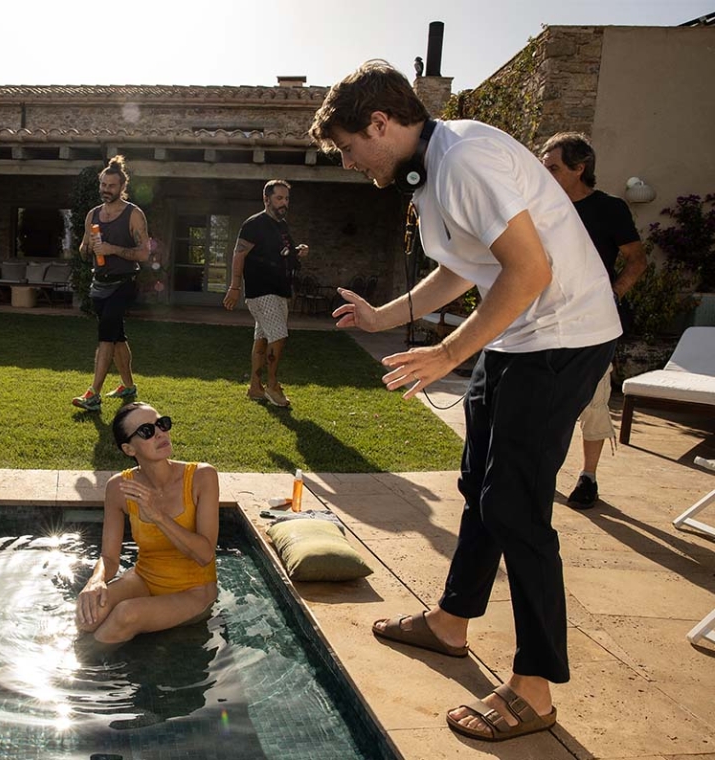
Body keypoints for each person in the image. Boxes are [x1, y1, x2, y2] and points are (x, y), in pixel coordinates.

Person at [310, 61, 620, 742]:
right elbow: (466, 265)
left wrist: (449, 354)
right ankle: (451, 623)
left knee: (516, 505)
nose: (350, 161)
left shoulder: (467, 158)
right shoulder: (438, 164)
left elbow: (530, 270)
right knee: (480, 485)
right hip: (519, 339)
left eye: (348, 146)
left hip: (564, 339)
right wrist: (384, 317)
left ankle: (534, 689)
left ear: (381, 124)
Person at [541, 132, 647, 509]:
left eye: (553, 166)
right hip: (547, 319)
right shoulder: (542, 208)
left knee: (594, 400)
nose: (545, 171)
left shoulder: (609, 209)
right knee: (543, 399)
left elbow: (637, 259)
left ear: (579, 168)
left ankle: (588, 477)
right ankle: (540, 472)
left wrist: (612, 294)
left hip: (594, 324)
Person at [75, 402, 219, 644]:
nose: (160, 433)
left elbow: (205, 555)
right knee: (88, 614)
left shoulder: (202, 477)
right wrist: (96, 580)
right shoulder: (118, 488)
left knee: (126, 614)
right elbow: (109, 558)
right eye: (147, 431)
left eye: (161, 424)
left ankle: (74, 676)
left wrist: (159, 517)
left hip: (194, 591)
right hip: (144, 579)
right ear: (129, 449)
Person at [72, 156, 151, 412]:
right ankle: (128, 385)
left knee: (106, 335)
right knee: (117, 337)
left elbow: (143, 253)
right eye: (103, 185)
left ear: (121, 187)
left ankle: (93, 394)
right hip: (100, 283)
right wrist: (88, 248)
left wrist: (112, 249)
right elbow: (84, 249)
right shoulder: (93, 214)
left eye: (111, 186)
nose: (106, 190)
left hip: (124, 283)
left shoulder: (133, 214)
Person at [223, 180, 309, 408]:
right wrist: (234, 286)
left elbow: (285, 252)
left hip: (279, 289)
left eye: (287, 199)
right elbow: (238, 254)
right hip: (262, 291)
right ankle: (272, 385)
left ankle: (254, 386)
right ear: (266, 199)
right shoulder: (254, 224)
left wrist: (298, 251)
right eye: (279, 198)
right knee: (278, 336)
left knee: (262, 339)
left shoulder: (281, 226)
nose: (284, 203)